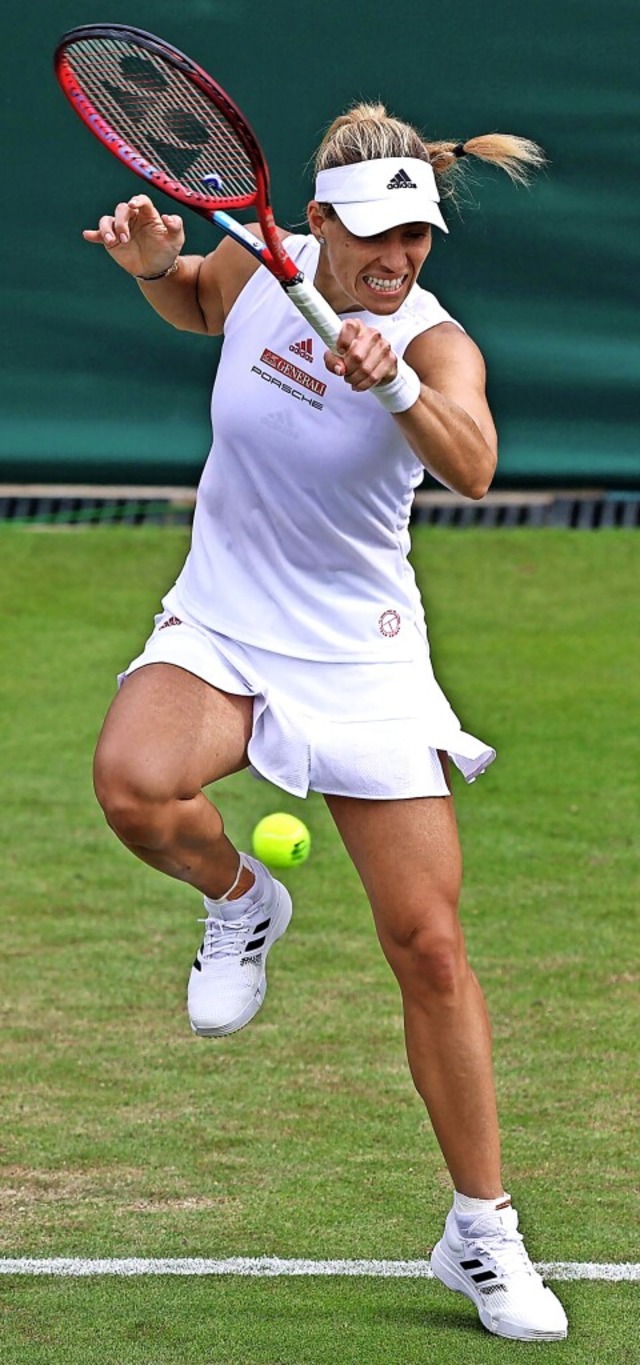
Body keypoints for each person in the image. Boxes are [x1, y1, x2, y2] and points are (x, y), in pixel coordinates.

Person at [86, 103, 567, 1342]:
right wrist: (154, 271)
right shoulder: (260, 260)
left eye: (413, 236)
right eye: (368, 238)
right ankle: (240, 903)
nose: (392, 259)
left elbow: (470, 465)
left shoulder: (436, 342)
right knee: (136, 784)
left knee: (427, 945)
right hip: (227, 620)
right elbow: (202, 302)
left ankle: (480, 1233)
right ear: (315, 225)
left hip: (359, 657)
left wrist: (392, 372)